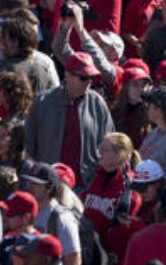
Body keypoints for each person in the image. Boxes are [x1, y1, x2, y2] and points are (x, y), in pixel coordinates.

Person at [25, 53, 115, 182]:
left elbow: (110, 143)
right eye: (84, 78)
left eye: (91, 78)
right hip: (50, 185)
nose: (89, 82)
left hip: (86, 185)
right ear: (67, 75)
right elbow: (28, 146)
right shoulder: (42, 102)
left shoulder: (97, 103)